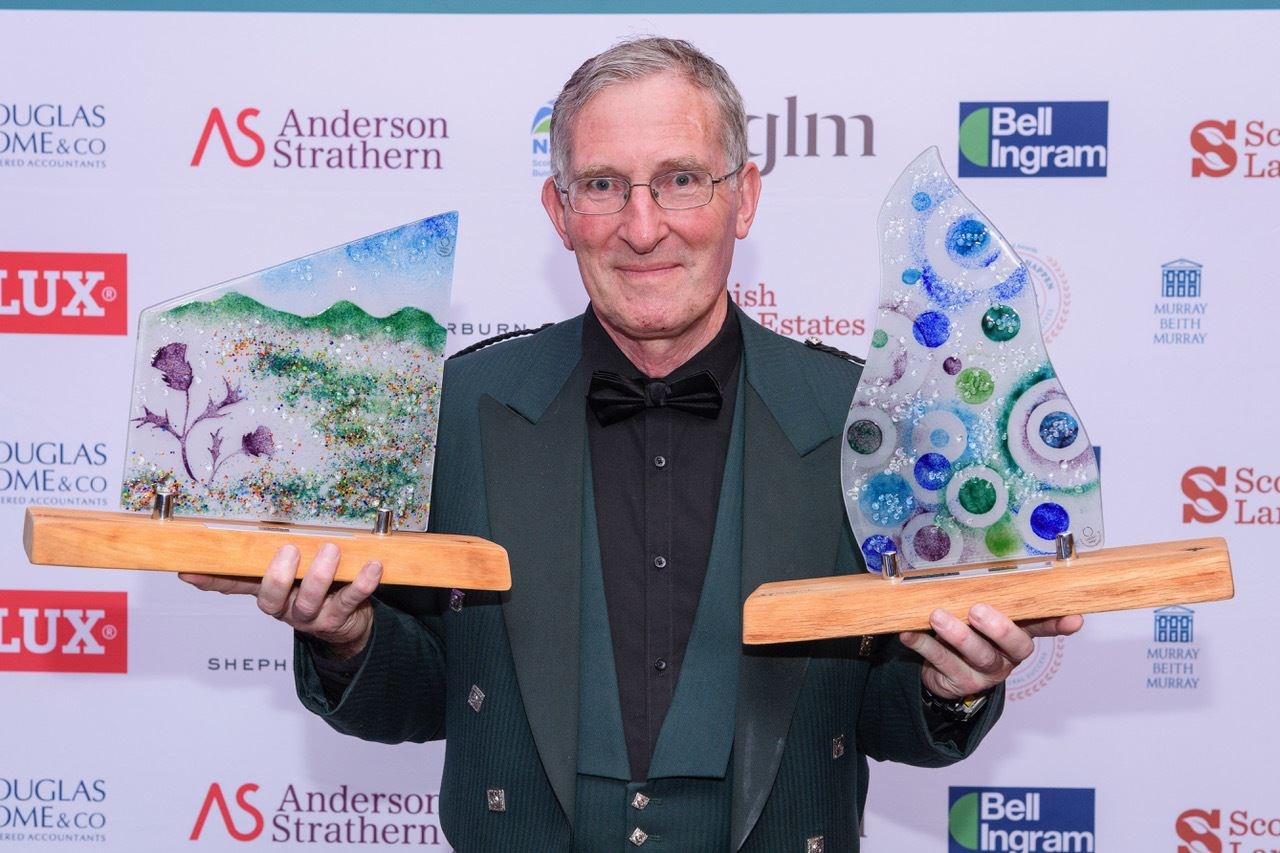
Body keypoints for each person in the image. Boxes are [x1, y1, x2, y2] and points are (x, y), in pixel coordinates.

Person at [183, 36, 1083, 852]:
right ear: (558, 208)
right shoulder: (457, 405)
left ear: (745, 197)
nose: (643, 227)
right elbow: (422, 693)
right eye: (604, 184)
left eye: (682, 179)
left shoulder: (862, 416)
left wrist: (953, 681)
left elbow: (890, 713)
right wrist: (345, 637)